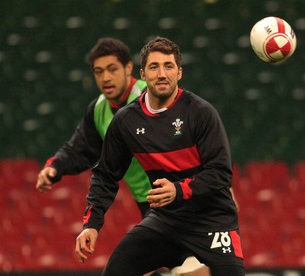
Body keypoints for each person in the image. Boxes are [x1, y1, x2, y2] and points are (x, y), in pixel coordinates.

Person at [36, 37, 208, 276]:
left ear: (129, 69)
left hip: (181, 198)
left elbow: (198, 139)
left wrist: (220, 187)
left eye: (112, 69)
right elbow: (81, 149)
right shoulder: (98, 111)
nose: (105, 77)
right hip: (149, 205)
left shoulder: (153, 97)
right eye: (98, 71)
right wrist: (55, 168)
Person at [74, 36, 245, 276]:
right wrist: (91, 225)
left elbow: (220, 173)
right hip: (166, 222)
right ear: (143, 74)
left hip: (213, 220)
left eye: (169, 66)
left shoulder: (201, 113)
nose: (162, 74)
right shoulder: (125, 121)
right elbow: (105, 176)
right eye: (154, 67)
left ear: (180, 72)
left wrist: (178, 190)